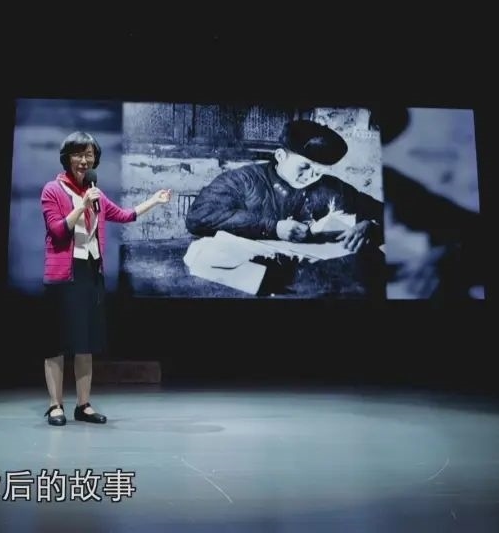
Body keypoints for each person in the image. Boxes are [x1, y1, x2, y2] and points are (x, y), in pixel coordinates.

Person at [40, 131, 170, 426]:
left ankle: (83, 405)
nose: (84, 161)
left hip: (90, 272)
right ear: (67, 158)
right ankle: (55, 405)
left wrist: (154, 201)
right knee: (56, 343)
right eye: (78, 154)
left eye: (89, 155)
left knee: (85, 343)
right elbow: (57, 231)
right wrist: (82, 205)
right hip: (63, 275)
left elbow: (124, 215)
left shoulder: (94, 192)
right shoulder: (53, 190)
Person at [185, 119, 384, 253]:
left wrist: (371, 226)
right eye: (304, 167)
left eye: (319, 171)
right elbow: (198, 217)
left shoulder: (331, 188)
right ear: (280, 156)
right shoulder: (243, 179)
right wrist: (274, 228)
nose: (312, 176)